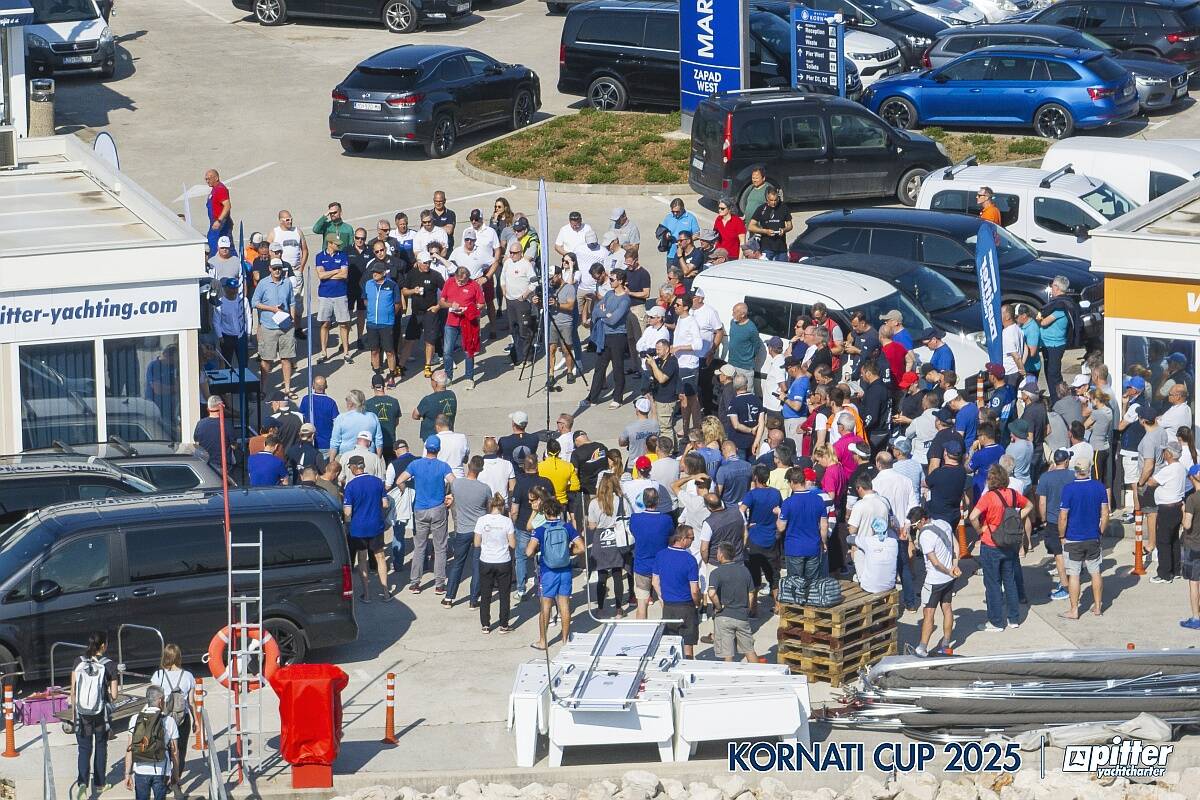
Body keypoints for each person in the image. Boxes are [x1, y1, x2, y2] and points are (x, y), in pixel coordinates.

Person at [969, 464, 1032, 632]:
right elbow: (1029, 505)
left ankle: (996, 621)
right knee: (1009, 581)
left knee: (992, 583)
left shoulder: (988, 497)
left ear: (991, 480)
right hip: (1010, 543)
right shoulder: (1012, 494)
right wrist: (1017, 517)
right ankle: (1014, 618)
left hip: (991, 543)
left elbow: (973, 516)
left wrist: (980, 530)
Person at [395, 437, 455, 595]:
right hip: (438, 509)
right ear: (438, 449)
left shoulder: (415, 464)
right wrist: (450, 496)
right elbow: (453, 482)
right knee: (440, 547)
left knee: (419, 547)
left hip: (420, 509)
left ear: (426, 448)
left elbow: (400, 480)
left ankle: (415, 582)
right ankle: (439, 584)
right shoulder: (443, 466)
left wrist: (405, 490)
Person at [526, 496, 584, 650]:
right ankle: (565, 639)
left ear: (545, 512)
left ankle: (543, 641)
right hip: (565, 570)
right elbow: (582, 547)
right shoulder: (567, 527)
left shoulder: (540, 530)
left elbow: (528, 551)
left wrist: (539, 552)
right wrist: (569, 552)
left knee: (546, 605)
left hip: (548, 571)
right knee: (564, 605)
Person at [1054, 457, 1109, 620]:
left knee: (1074, 574)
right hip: (1093, 536)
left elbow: (1063, 516)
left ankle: (1074, 609)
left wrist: (1061, 535)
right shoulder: (1099, 487)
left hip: (1073, 538)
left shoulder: (1069, 489)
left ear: (1075, 470)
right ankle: (1098, 606)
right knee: (1095, 571)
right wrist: (1101, 531)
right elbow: (1105, 512)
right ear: (1090, 468)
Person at [72, 631, 118, 799]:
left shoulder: (78, 662)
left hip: (82, 712)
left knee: (84, 749)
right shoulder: (110, 665)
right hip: (101, 714)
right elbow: (114, 695)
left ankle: (82, 783)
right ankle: (99, 784)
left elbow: (73, 691)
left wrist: (75, 711)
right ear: (103, 646)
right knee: (100, 747)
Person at [909, 506, 960, 658]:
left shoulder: (924, 535)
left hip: (934, 580)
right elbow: (956, 546)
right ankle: (945, 645)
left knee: (928, 613)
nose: (915, 527)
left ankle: (922, 648)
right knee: (947, 608)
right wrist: (954, 566)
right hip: (949, 579)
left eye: (916, 524)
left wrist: (948, 570)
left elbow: (935, 562)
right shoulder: (944, 524)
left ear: (923, 520)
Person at [445, 456, 492, 608]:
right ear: (482, 469)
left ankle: (449, 597)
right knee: (477, 565)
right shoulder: (485, 488)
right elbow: (490, 508)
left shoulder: (457, 484)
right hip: (479, 531)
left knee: (458, 563)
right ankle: (473, 600)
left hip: (462, 529)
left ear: (468, 466)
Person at [343, 455, 391, 601]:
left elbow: (348, 512)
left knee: (362, 559)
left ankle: (367, 594)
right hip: (376, 524)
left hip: (359, 528)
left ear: (353, 467)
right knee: (380, 557)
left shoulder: (350, 486)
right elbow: (385, 504)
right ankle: (386, 592)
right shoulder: (377, 482)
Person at [122, 685, 180, 800]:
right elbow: (175, 751)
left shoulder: (135, 719)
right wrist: (175, 774)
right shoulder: (169, 721)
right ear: (160, 701)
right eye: (163, 699)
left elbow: (129, 749)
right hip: (161, 770)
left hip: (140, 769)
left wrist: (127, 774)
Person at [847, 473, 900, 594]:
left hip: (863, 547)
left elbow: (852, 530)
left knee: (866, 582)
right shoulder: (884, 501)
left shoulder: (859, 505)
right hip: (882, 545)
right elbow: (891, 523)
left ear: (860, 488)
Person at [588, 473, 632, 617]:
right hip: (616, 538)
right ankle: (619, 609)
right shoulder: (622, 500)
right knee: (617, 574)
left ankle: (600, 608)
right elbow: (628, 517)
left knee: (601, 574)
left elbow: (592, 526)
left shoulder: (594, 503)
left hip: (600, 539)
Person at [741, 464, 783, 615]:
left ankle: (753, 608)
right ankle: (778, 605)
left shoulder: (752, 495)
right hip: (772, 538)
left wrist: (747, 524)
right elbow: (780, 511)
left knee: (754, 575)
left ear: (756, 478)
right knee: (774, 574)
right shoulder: (776, 493)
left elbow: (741, 511)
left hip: (755, 539)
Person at [654, 526, 702, 657]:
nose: (692, 541)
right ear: (682, 538)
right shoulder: (689, 560)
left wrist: (663, 598)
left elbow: (655, 582)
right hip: (686, 607)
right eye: (691, 538)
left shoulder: (660, 555)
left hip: (668, 607)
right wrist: (698, 603)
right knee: (688, 646)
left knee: (670, 645)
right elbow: (694, 590)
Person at [251, 257, 296, 396]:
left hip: (286, 327)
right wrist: (272, 309)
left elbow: (292, 302)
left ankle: (287, 389)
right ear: (270, 269)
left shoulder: (287, 283)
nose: (277, 271)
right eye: (275, 268)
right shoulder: (263, 284)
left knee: (286, 358)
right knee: (266, 360)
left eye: (279, 268)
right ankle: (263, 389)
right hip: (269, 327)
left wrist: (292, 318)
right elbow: (255, 302)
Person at [148, 645, 194, 780]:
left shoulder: (158, 675)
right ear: (179, 657)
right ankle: (176, 779)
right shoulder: (188, 676)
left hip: (164, 718)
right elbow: (191, 702)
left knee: (164, 749)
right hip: (182, 718)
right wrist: (197, 720)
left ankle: (164, 779)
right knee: (180, 750)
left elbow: (151, 698)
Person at [1036, 449, 1075, 601]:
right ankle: (1071, 580)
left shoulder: (1045, 477)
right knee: (1072, 552)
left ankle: (1065, 586)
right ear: (1066, 461)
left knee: (1058, 555)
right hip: (1071, 519)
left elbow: (1042, 502)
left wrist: (1044, 519)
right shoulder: (1073, 476)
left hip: (1053, 520)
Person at [630, 487, 674, 618]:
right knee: (664, 601)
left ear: (643, 501)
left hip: (641, 566)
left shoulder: (635, 519)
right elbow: (671, 535)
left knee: (641, 605)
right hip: (661, 566)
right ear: (658, 501)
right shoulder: (666, 520)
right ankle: (671, 629)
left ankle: (642, 635)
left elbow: (634, 533)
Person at [475, 494, 517, 633]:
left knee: (486, 593)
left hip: (486, 560)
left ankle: (485, 624)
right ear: (502, 507)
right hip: (503, 560)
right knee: (504, 594)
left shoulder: (482, 520)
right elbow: (512, 544)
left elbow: (476, 543)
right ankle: (504, 624)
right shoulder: (507, 521)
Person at [1148, 441, 1187, 584]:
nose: (1164, 453)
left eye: (1165, 451)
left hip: (1167, 509)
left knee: (1163, 541)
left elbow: (1152, 482)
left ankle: (1164, 574)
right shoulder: (1181, 468)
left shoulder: (1168, 469)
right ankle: (1176, 570)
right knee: (1174, 540)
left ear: (1169, 454)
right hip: (1176, 507)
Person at [363, 262, 402, 384]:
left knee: (389, 351)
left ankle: (391, 376)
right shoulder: (368, 284)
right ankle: (377, 375)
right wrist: (371, 312)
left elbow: (397, 304)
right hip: (371, 323)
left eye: (378, 272)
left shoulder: (392, 285)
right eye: (373, 272)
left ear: (384, 273)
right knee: (374, 350)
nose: (374, 274)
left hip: (386, 324)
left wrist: (389, 315)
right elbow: (365, 299)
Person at [500, 240, 536, 365]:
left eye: (514, 253)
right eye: (510, 252)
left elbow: (534, 283)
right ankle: (518, 354)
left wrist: (524, 295)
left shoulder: (526, 265)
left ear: (521, 253)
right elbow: (502, 277)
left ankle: (528, 356)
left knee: (524, 330)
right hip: (510, 301)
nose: (512, 255)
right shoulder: (508, 263)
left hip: (522, 302)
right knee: (513, 329)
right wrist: (504, 289)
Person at [1038, 276, 1076, 391]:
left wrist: (1039, 318)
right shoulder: (1062, 303)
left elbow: (1044, 322)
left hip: (1054, 346)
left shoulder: (1060, 307)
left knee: (1054, 374)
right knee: (1050, 373)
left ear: (1056, 287)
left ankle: (1059, 397)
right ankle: (1055, 398)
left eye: (1052, 285)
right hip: (1048, 344)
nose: (1051, 288)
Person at [329, 390, 382, 458]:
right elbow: (379, 441)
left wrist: (331, 461)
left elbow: (335, 442)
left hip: (346, 456)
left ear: (351, 403)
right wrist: (378, 458)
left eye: (346, 400)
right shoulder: (373, 417)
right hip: (368, 455)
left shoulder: (341, 418)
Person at [1178, 465, 1200, 629]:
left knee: (1194, 583)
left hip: (1193, 545)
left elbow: (1187, 524)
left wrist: (1184, 511)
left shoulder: (1192, 499)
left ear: (1192, 478)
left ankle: (1195, 617)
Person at [212, 277, 248, 371]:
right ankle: (229, 383)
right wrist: (220, 336)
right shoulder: (220, 303)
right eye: (232, 288)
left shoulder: (243, 301)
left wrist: (247, 333)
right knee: (226, 363)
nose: (234, 290)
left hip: (241, 336)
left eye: (236, 288)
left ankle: (244, 383)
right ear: (226, 288)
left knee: (243, 363)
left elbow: (248, 317)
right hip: (227, 337)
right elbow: (216, 321)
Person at [364, 374, 402, 462]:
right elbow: (396, 422)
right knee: (391, 468)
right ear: (384, 385)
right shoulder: (394, 401)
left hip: (374, 443)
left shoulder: (368, 404)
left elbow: (366, 425)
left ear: (372, 386)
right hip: (390, 440)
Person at [747, 188, 792, 261]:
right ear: (767, 199)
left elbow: (790, 226)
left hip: (781, 247)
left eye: (775, 200)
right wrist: (765, 231)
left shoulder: (784, 207)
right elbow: (751, 226)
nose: (773, 203)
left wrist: (784, 230)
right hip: (766, 247)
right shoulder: (761, 209)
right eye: (771, 200)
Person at [413, 371, 457, 441]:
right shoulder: (452, 395)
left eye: (431, 379)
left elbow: (415, 415)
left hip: (431, 437)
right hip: (448, 435)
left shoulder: (428, 400)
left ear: (435, 383)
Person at [657, 198, 701, 267]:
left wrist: (684, 241)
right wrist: (665, 235)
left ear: (683, 208)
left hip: (687, 254)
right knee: (671, 276)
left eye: (677, 211)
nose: (675, 213)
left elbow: (697, 234)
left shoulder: (691, 218)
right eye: (673, 211)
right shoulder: (668, 217)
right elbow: (661, 231)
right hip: (671, 254)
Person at [299, 375, 339, 451]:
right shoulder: (331, 402)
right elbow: (337, 422)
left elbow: (301, 418)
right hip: (325, 443)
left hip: (308, 441)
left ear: (313, 386)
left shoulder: (306, 399)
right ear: (326, 386)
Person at [203, 169, 232, 256]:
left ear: (216, 178)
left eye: (209, 178)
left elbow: (227, 206)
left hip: (220, 223)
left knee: (215, 244)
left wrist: (219, 220)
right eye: (206, 179)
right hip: (216, 222)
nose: (207, 181)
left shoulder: (220, 189)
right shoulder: (214, 189)